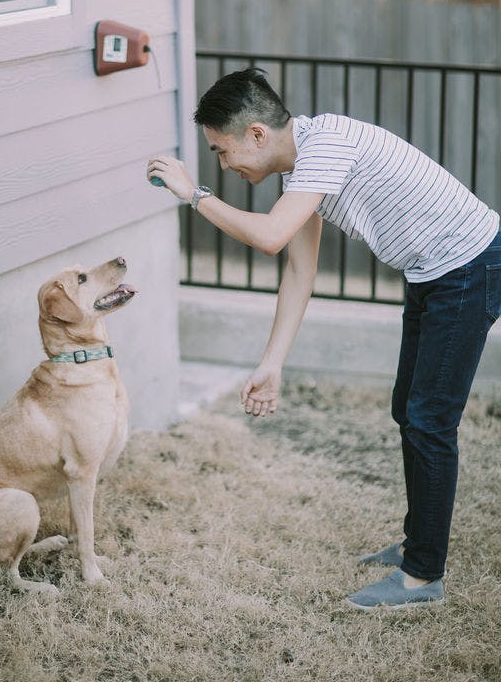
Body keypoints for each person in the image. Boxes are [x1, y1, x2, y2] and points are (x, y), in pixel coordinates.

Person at [147, 67, 501, 611]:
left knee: (430, 420)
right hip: (433, 272)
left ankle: (423, 577)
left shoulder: (326, 147)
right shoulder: (304, 168)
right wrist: (273, 362)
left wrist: (194, 194)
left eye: (223, 151)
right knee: (408, 409)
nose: (225, 164)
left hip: (469, 267)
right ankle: (419, 542)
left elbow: (268, 237)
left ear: (257, 135)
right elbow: (298, 272)